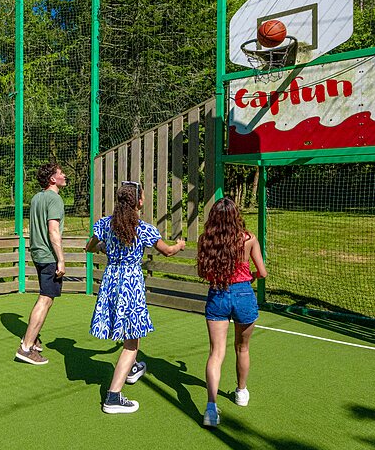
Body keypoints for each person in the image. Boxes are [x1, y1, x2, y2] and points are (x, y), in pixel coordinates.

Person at [86, 181, 185, 413]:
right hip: (131, 283)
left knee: (126, 331)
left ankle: (130, 369)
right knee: (132, 342)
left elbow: (90, 247)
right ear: (139, 201)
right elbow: (168, 251)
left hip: (111, 279)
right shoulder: (144, 229)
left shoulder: (104, 225)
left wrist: (103, 247)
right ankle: (113, 396)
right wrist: (179, 245)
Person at [196, 198, 267, 427]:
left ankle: (210, 407)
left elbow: (202, 272)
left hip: (217, 294)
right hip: (244, 294)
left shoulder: (206, 240)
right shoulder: (248, 239)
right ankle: (241, 391)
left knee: (216, 353)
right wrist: (249, 278)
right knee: (242, 347)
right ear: (236, 215)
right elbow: (262, 273)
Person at [16, 162, 68, 365]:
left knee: (45, 298)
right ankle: (26, 347)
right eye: (61, 173)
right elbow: (53, 230)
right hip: (48, 256)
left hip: (37, 254)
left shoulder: (37, 198)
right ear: (53, 179)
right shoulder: (55, 199)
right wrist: (61, 260)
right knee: (45, 299)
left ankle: (33, 339)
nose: (64, 176)